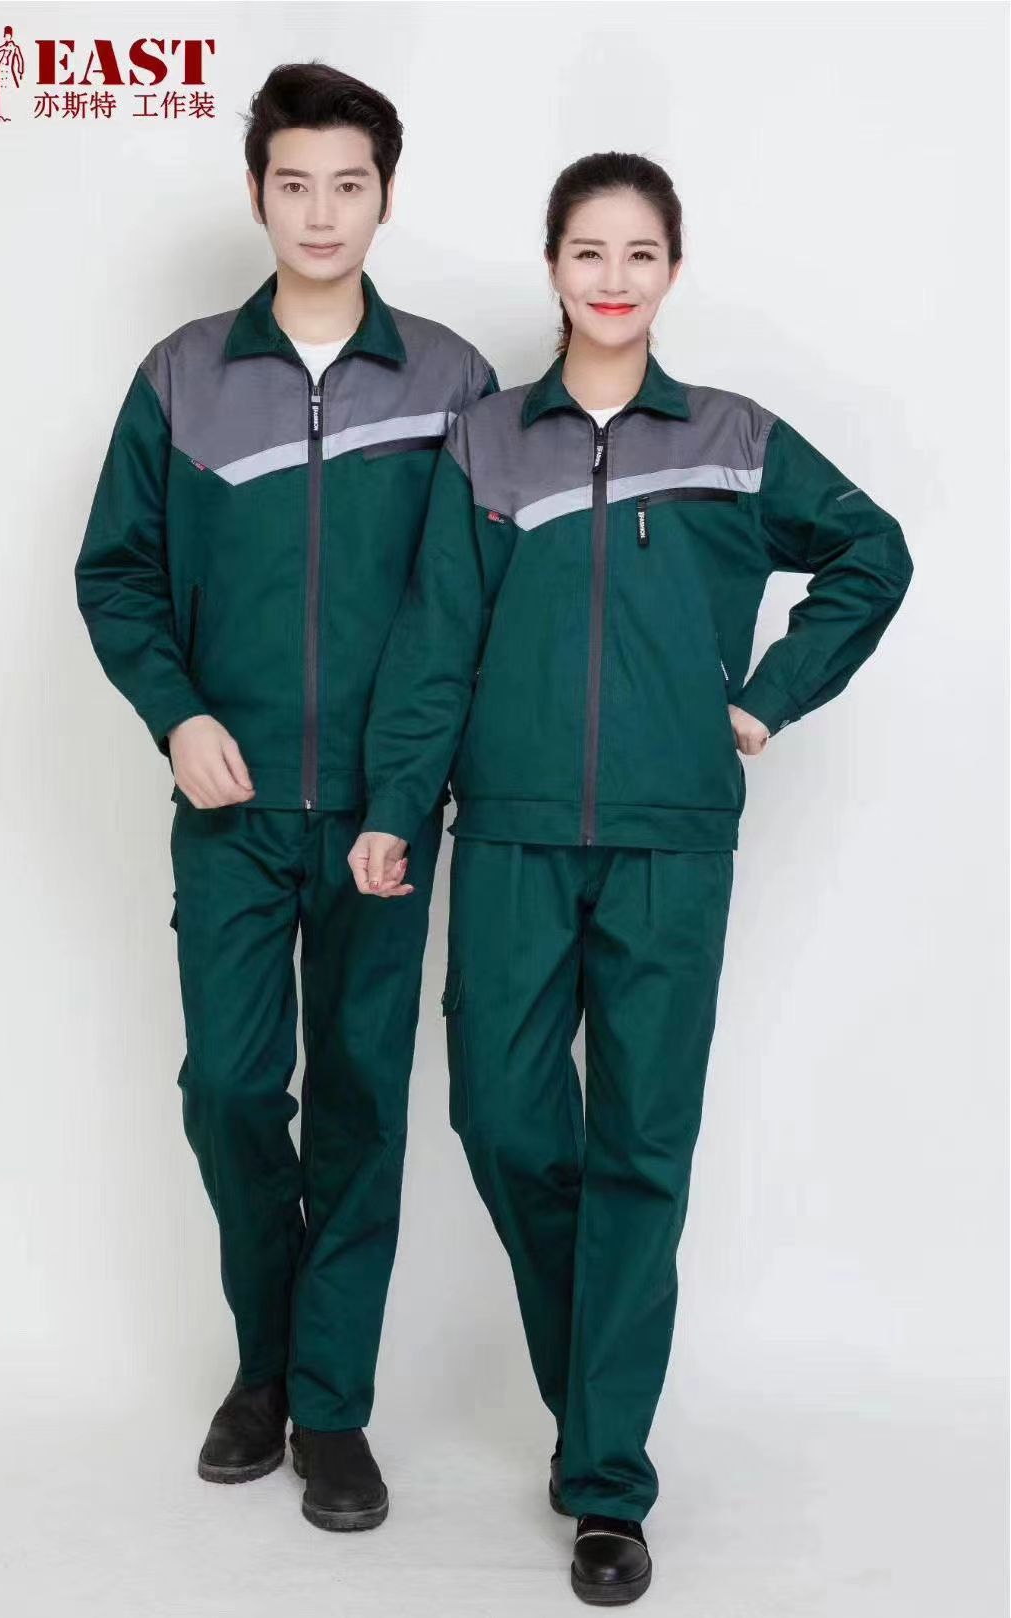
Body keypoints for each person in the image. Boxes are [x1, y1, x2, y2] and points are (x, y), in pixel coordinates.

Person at [349, 151, 913, 1602]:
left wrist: (768, 697)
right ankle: (597, 1382)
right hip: (512, 834)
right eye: (589, 252)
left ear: (672, 271)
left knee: (643, 1149)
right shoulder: (488, 442)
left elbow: (873, 551)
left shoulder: (732, 439)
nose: (613, 279)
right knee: (501, 1115)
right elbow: (435, 641)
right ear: (552, 266)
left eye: (640, 254)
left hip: (673, 841)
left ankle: (606, 1480)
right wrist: (398, 807)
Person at [74, 62, 497, 1532]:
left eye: (349, 184)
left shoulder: (450, 383)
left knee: (363, 1103)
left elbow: (472, 602)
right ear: (257, 194)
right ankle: (262, 1362)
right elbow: (117, 572)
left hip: (385, 818)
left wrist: (416, 788)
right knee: (234, 1091)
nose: (322, 212)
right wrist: (176, 712)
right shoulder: (183, 376)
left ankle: (329, 1406)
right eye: (295, 183)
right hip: (235, 812)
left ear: (386, 195)